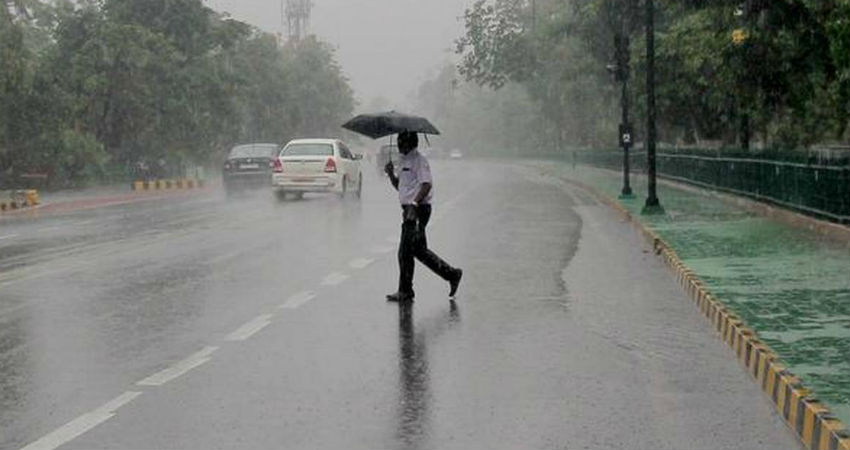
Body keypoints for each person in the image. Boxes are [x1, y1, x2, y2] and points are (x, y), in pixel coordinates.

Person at [384, 131, 462, 303]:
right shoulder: (404, 161)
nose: (397, 144)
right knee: (419, 251)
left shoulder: (419, 161)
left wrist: (414, 204)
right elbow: (403, 188)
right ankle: (452, 274)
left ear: (410, 142)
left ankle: (405, 291)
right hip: (409, 209)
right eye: (397, 140)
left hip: (417, 210)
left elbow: (426, 185)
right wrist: (391, 175)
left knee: (405, 251)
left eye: (400, 140)